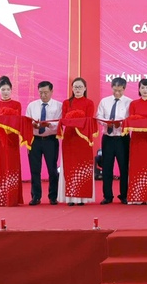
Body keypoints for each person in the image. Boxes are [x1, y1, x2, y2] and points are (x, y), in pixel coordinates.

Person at [58, 77, 96, 206]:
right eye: (75, 87)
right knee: (70, 166)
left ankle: (82, 198)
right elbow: (64, 119)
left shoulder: (89, 103)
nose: (77, 89)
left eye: (80, 87)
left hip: (83, 139)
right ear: (72, 88)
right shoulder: (66, 103)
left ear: (85, 88)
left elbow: (89, 120)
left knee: (83, 167)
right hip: (69, 138)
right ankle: (70, 198)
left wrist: (75, 120)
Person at [0, 76, 24, 206]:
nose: (5, 92)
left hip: (12, 138)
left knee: (12, 164)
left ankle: (12, 198)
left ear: (11, 90)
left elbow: (18, 120)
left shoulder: (17, 104)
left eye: (8, 89)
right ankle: (0, 198)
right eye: (3, 89)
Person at [25, 81, 62, 205]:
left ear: (52, 91)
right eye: (40, 93)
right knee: (35, 170)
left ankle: (53, 196)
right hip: (35, 140)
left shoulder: (59, 106)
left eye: (46, 92)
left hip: (50, 140)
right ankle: (36, 196)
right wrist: (33, 125)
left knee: (52, 169)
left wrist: (48, 125)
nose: (43, 95)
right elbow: (26, 123)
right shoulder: (32, 105)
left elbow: (60, 124)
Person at [96, 77, 132, 204]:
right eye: (115, 90)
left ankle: (124, 195)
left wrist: (121, 124)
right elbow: (99, 116)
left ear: (124, 89)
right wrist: (107, 123)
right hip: (108, 138)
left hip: (122, 138)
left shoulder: (129, 102)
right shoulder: (104, 101)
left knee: (124, 167)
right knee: (107, 167)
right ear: (111, 87)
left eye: (119, 90)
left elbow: (131, 119)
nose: (117, 93)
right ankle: (107, 196)